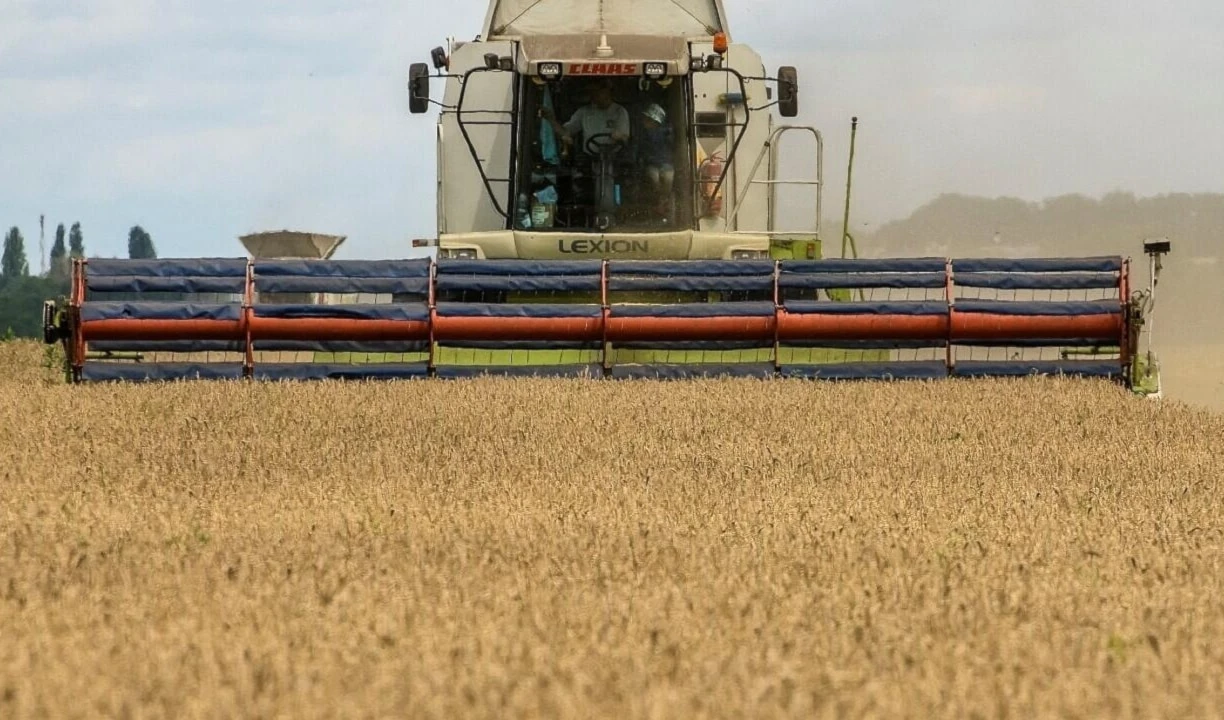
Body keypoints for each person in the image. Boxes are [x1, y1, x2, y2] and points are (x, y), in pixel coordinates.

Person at [542, 79, 630, 153]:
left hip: (615, 159)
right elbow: (566, 132)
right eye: (592, 92)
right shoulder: (584, 112)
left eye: (598, 92)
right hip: (588, 159)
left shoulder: (619, 111)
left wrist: (620, 137)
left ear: (607, 91)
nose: (594, 95)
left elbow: (625, 139)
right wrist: (551, 120)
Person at [638, 103, 675, 218]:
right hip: (651, 164)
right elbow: (640, 149)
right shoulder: (643, 135)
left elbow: (672, 146)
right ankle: (657, 201)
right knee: (654, 179)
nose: (645, 122)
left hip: (666, 164)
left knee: (669, 179)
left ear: (656, 122)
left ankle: (665, 201)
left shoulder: (666, 133)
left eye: (649, 120)